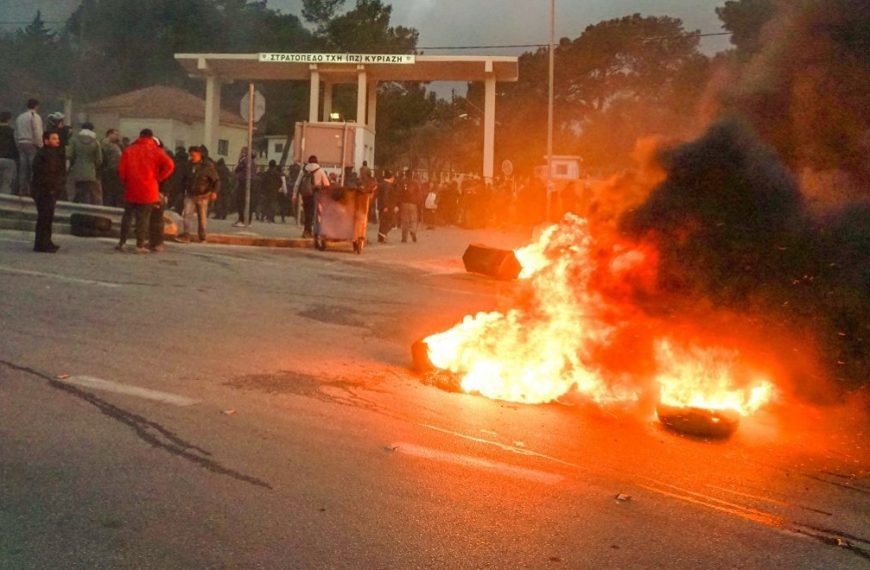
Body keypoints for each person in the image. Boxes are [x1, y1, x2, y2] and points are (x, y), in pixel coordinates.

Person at [117, 129, 175, 253]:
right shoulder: (157, 151)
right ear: (151, 137)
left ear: (140, 136)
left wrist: (125, 182)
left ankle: (122, 242)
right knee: (143, 218)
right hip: (149, 189)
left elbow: (121, 170)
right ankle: (139, 245)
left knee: (127, 216)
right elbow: (170, 165)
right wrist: (158, 177)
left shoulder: (129, 150)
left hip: (131, 187)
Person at [30, 131, 66, 253]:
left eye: (57, 138)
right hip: (44, 191)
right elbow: (45, 173)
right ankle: (41, 244)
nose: (57, 141)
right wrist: (51, 188)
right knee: (44, 218)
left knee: (48, 217)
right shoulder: (44, 154)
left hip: (48, 190)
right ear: (46, 140)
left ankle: (46, 241)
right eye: (54, 139)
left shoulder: (52, 153)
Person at [176, 145, 219, 243]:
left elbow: (216, 180)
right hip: (190, 194)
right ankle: (186, 235)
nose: (192, 156)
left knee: (202, 216)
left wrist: (214, 192)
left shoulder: (207, 167)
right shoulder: (188, 166)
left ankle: (202, 236)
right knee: (187, 215)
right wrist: (182, 192)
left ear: (199, 154)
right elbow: (184, 180)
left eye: (194, 154)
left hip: (203, 195)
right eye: (191, 154)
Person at [293, 154, 330, 239]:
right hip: (315, 194)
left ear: (309, 161)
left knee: (307, 213)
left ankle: (306, 231)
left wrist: (294, 195)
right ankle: (313, 232)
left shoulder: (304, 170)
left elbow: (297, 183)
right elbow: (327, 184)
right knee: (315, 214)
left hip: (305, 194)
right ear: (316, 161)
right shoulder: (320, 170)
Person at [68, 121, 104, 205]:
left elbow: (69, 155)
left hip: (77, 169)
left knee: (78, 189)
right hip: (91, 171)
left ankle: (75, 205)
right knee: (88, 190)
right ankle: (86, 207)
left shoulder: (74, 140)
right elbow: (99, 160)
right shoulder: (96, 142)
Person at [15, 99, 43, 196]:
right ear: (36, 106)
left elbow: (16, 131)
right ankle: (33, 190)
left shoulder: (20, 117)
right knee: (33, 168)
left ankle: (22, 190)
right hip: (31, 143)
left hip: (21, 143)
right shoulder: (35, 116)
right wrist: (40, 145)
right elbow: (37, 131)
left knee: (23, 168)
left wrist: (17, 144)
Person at [100, 129, 123, 207]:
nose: (117, 136)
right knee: (110, 189)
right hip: (110, 169)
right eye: (115, 134)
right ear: (109, 134)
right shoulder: (105, 143)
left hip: (115, 169)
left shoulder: (115, 144)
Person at [397, 170, 421, 243]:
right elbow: (419, 194)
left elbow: (399, 192)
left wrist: (398, 203)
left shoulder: (402, 182)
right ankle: (412, 231)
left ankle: (404, 238)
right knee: (413, 219)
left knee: (404, 220)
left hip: (404, 203)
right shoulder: (415, 182)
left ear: (405, 175)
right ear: (412, 175)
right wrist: (418, 203)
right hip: (413, 204)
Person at [232, 146, 251, 227]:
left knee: (241, 202)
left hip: (243, 183)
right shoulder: (247, 161)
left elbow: (236, 169)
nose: (242, 153)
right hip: (243, 182)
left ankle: (242, 219)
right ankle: (243, 219)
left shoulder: (244, 161)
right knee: (242, 202)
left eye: (244, 152)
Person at [0, 111, 18, 195]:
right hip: (9, 159)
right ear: (9, 120)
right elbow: (16, 145)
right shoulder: (12, 131)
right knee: (6, 183)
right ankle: (4, 202)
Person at [376, 170, 396, 243]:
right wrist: (385, 206)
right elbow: (385, 196)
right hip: (387, 207)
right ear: (391, 177)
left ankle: (381, 236)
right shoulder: (387, 185)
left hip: (382, 206)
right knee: (390, 222)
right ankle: (382, 234)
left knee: (383, 222)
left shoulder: (382, 184)